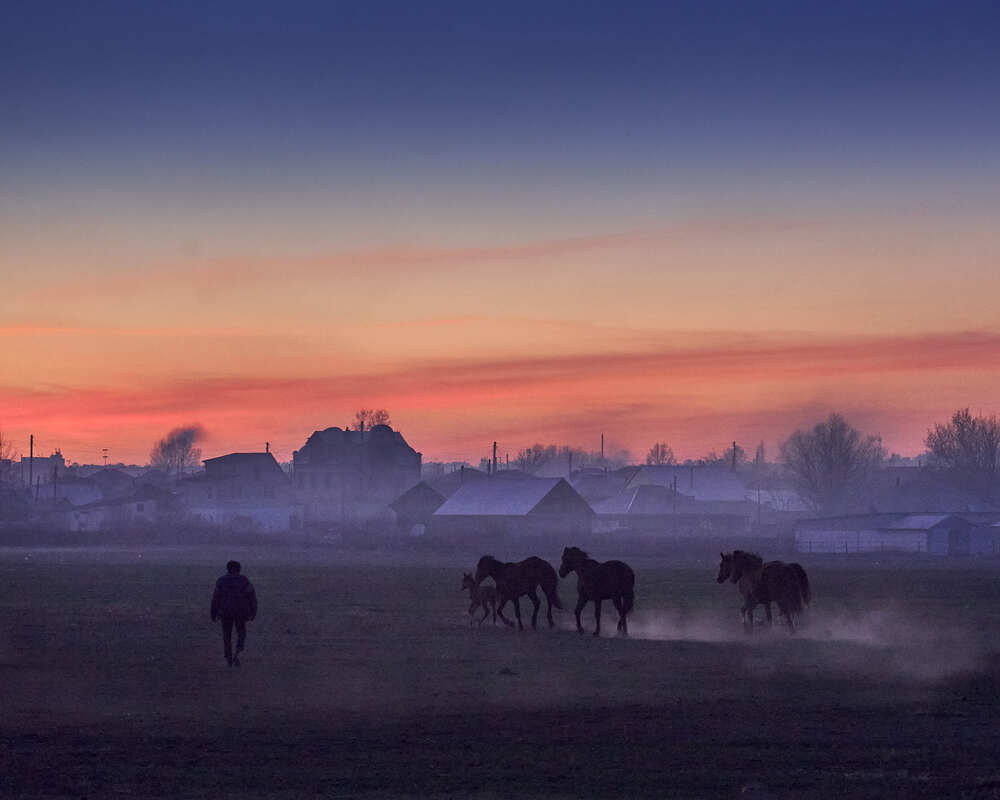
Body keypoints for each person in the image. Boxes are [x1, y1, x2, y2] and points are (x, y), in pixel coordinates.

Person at [210, 560, 257, 666]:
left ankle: (228, 656)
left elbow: (216, 598)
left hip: (225, 611)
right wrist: (253, 611)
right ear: (239, 569)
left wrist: (213, 612)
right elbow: (252, 597)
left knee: (227, 634)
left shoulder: (221, 581)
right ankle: (238, 652)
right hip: (241, 611)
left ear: (227, 568)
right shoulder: (244, 580)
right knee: (241, 632)